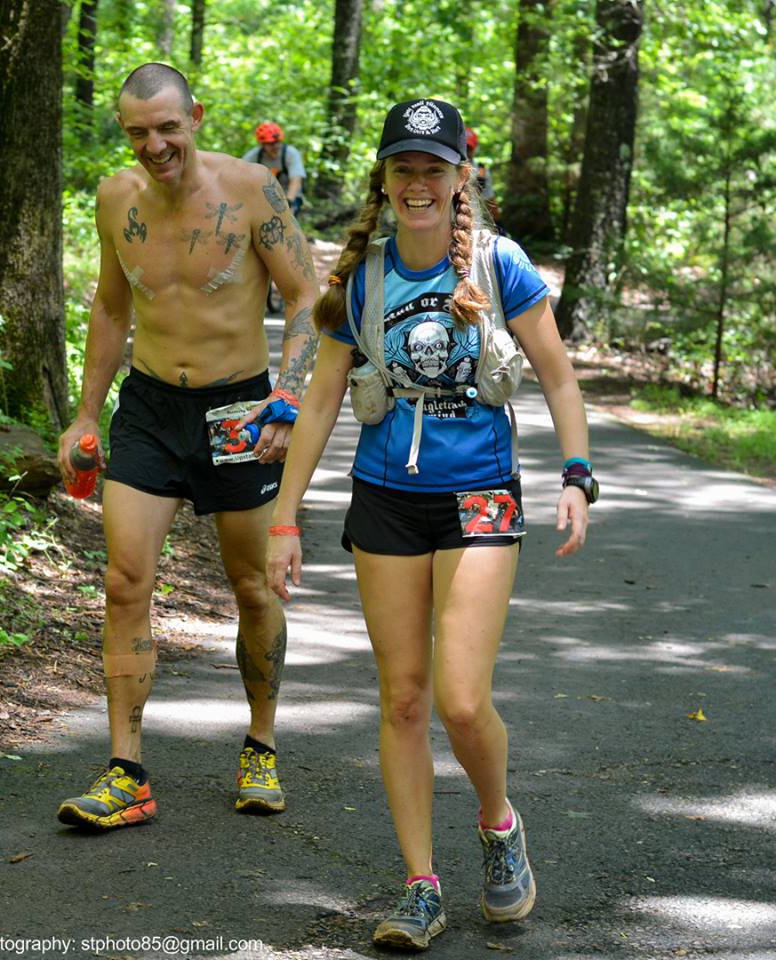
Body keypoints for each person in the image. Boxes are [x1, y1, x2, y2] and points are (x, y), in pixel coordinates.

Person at [267, 98, 595, 950]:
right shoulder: (364, 278)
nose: (419, 184)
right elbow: (321, 402)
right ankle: (420, 885)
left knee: (458, 695)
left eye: (434, 170)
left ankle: (498, 826)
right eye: (404, 168)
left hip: (482, 492)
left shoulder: (500, 264)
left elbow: (559, 378)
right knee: (403, 697)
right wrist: (284, 517)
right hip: (385, 498)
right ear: (386, 179)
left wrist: (576, 474)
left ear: (460, 180)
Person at [56, 63, 319, 830]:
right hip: (147, 409)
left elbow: (307, 297)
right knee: (123, 580)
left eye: (167, 128)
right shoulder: (115, 197)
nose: (154, 145)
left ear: (196, 117)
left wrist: (289, 396)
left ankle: (261, 745)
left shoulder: (250, 192)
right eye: (137, 132)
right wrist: (84, 415)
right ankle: (126, 771)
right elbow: (110, 306)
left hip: (239, 408)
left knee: (251, 587)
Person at [242, 122, 306, 217]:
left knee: (286, 223)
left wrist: (288, 202)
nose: (276, 146)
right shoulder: (255, 156)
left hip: (289, 196)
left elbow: (296, 181)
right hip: (264, 197)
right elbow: (239, 172)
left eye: (278, 142)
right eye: (271, 144)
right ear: (263, 144)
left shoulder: (290, 153)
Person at [466, 126, 501, 226]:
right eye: (463, 147)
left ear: (475, 148)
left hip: (475, 223)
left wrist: (499, 225)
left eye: (469, 148)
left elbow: (490, 198)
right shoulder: (447, 168)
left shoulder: (481, 170)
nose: (466, 152)